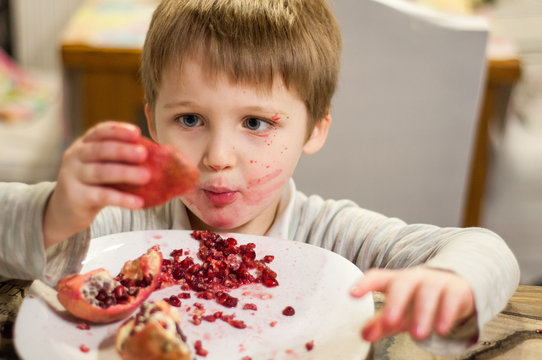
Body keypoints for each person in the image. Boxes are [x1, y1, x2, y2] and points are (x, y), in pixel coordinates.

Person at [0, 0, 518, 355]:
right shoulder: (120, 226)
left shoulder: (331, 234)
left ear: (315, 129)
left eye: (255, 123)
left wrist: (450, 283)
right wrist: (54, 215)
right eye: (190, 120)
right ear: (152, 121)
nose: (218, 157)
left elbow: (484, 249)